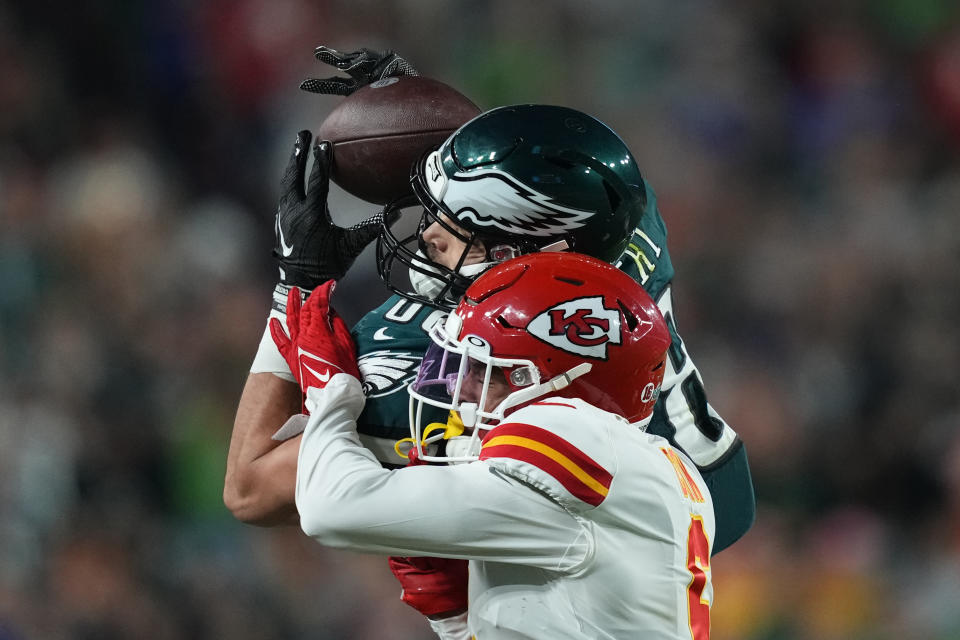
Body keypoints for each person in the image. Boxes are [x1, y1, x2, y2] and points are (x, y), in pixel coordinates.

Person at [273, 250, 715, 640]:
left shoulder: (575, 433)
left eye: (489, 370)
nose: (462, 389)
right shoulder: (670, 467)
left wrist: (332, 394)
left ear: (556, 380)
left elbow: (329, 508)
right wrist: (455, 617)